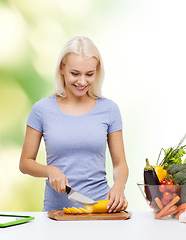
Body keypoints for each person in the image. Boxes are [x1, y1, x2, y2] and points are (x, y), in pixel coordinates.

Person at [19, 36, 129, 212]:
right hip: (57, 211)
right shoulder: (42, 109)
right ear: (62, 68)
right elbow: (25, 163)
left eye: (89, 74)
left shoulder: (109, 109)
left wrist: (119, 186)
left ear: (97, 71)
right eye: (75, 73)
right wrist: (49, 171)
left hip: (101, 208)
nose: (82, 81)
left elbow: (120, 163)